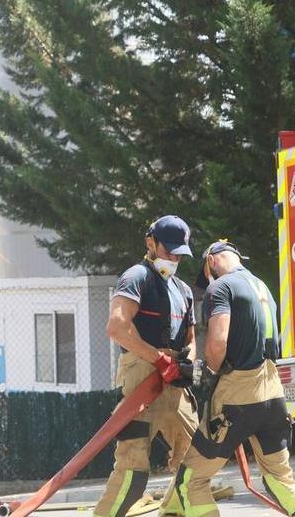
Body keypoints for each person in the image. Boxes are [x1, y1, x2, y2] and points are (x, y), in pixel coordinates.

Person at [172, 240, 295, 516]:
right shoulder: (262, 287)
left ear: (211, 261)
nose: (208, 282)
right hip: (273, 394)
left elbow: (218, 343)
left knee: (190, 480)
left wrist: (207, 369)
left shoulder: (221, 287)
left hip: (238, 396)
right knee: (280, 478)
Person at [94, 215, 199, 517]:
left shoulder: (183, 290)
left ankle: (173, 511)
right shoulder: (136, 277)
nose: (174, 259)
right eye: (169, 251)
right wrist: (159, 359)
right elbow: (117, 327)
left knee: (196, 460)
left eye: (180, 254)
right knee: (133, 469)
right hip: (142, 377)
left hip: (174, 382)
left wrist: (188, 360)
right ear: (150, 243)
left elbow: (191, 338)